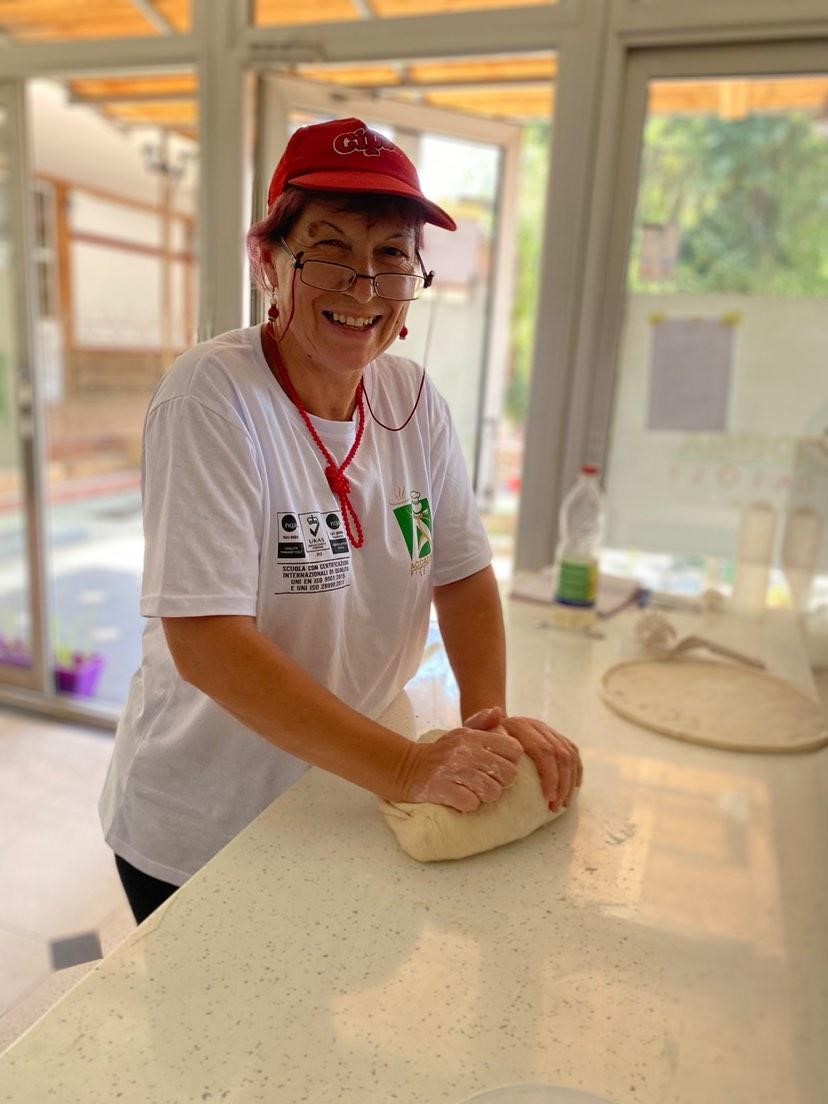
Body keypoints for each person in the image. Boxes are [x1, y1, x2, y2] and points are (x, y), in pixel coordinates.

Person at [99, 117, 582, 925]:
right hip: (208, 823)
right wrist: (407, 769)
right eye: (327, 251)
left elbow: (463, 575)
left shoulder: (413, 399)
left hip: (342, 785)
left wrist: (486, 728)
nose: (363, 288)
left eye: (391, 256)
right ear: (268, 262)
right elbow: (208, 643)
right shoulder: (211, 398)